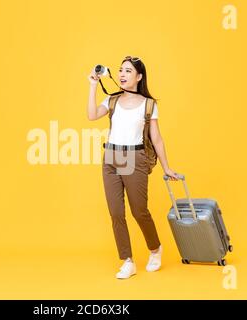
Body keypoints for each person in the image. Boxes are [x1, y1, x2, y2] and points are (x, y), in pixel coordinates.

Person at [87, 56, 180, 279]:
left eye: (128, 71)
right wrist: (92, 85)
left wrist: (166, 167)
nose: (122, 74)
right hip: (111, 156)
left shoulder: (149, 104)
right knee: (116, 213)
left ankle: (155, 249)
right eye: (120, 70)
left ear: (139, 77)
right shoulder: (112, 99)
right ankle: (127, 261)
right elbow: (91, 116)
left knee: (139, 211)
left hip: (135, 158)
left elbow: (156, 138)